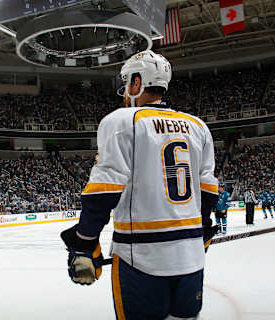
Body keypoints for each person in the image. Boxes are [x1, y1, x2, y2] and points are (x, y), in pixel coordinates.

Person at [60, 50, 219, 320]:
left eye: (126, 83)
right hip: (192, 259)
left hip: (141, 259)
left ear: (137, 83)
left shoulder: (121, 121)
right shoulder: (198, 126)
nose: (124, 91)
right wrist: (201, 229)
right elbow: (208, 189)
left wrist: (85, 243)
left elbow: (104, 191)